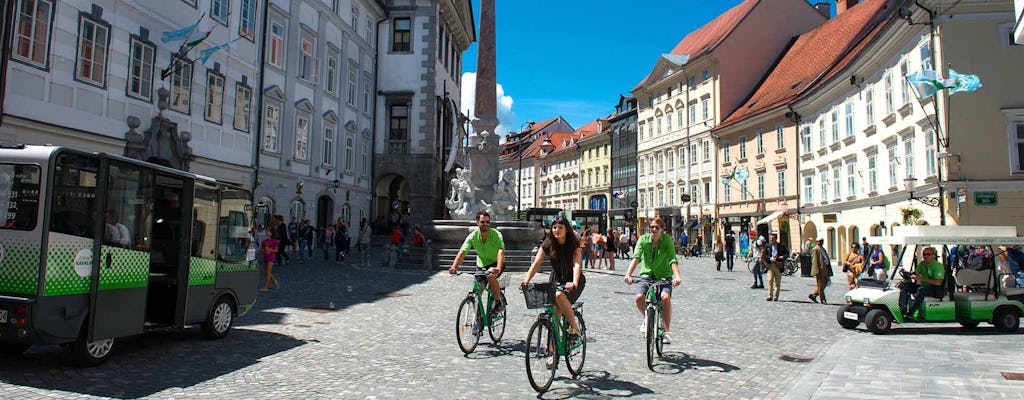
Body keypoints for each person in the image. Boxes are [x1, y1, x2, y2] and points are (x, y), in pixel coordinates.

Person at [521, 216, 585, 342]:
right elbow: (536, 264)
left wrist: (574, 283)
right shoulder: (548, 243)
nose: (556, 230)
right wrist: (526, 280)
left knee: (559, 296)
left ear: (566, 229)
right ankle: (553, 348)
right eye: (554, 227)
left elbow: (576, 265)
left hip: (573, 280)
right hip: (556, 279)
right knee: (555, 311)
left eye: (560, 227)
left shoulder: (573, 244)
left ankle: (575, 328)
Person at [623, 217, 682, 344]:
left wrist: (677, 276)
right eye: (652, 227)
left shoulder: (667, 241)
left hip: (664, 276)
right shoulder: (643, 240)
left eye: (657, 228)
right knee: (639, 297)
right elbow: (636, 258)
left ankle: (666, 331)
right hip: (646, 276)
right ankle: (647, 318)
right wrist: (628, 274)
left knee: (665, 297)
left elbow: (672, 259)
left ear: (662, 229)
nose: (654, 230)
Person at [448, 211, 507, 314]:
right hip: (481, 265)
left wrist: (498, 267)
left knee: (490, 276)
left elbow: (500, 251)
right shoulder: (473, 236)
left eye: (487, 222)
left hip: (496, 263)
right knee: (477, 293)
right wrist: (454, 267)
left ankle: (498, 302)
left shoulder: (496, 234)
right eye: (482, 222)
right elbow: (463, 252)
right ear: (477, 223)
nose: (485, 224)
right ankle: (477, 320)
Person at [899, 246, 944, 320]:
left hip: (937, 290)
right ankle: (902, 309)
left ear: (933, 256)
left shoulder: (938, 266)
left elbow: (938, 283)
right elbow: (915, 274)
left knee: (921, 290)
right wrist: (907, 274)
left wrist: (921, 278)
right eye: (924, 254)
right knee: (905, 286)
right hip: (926, 287)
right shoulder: (922, 264)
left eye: (928, 254)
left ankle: (911, 313)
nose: (925, 256)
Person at [764, 233, 789, 301]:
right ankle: (769, 295)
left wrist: (783, 257)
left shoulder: (781, 246)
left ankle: (776, 296)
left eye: (772, 239)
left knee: (777, 282)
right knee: (769, 280)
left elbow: (787, 254)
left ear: (775, 239)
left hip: (778, 265)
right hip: (770, 265)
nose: (771, 240)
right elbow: (765, 255)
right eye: (770, 239)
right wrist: (770, 258)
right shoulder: (767, 245)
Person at [809, 239, 833, 304]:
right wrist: (816, 271)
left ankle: (813, 295)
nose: (821, 242)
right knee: (820, 285)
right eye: (819, 241)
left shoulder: (822, 249)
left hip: (825, 269)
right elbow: (815, 261)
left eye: (822, 241)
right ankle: (823, 299)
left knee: (824, 284)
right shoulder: (815, 249)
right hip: (820, 270)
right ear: (816, 241)